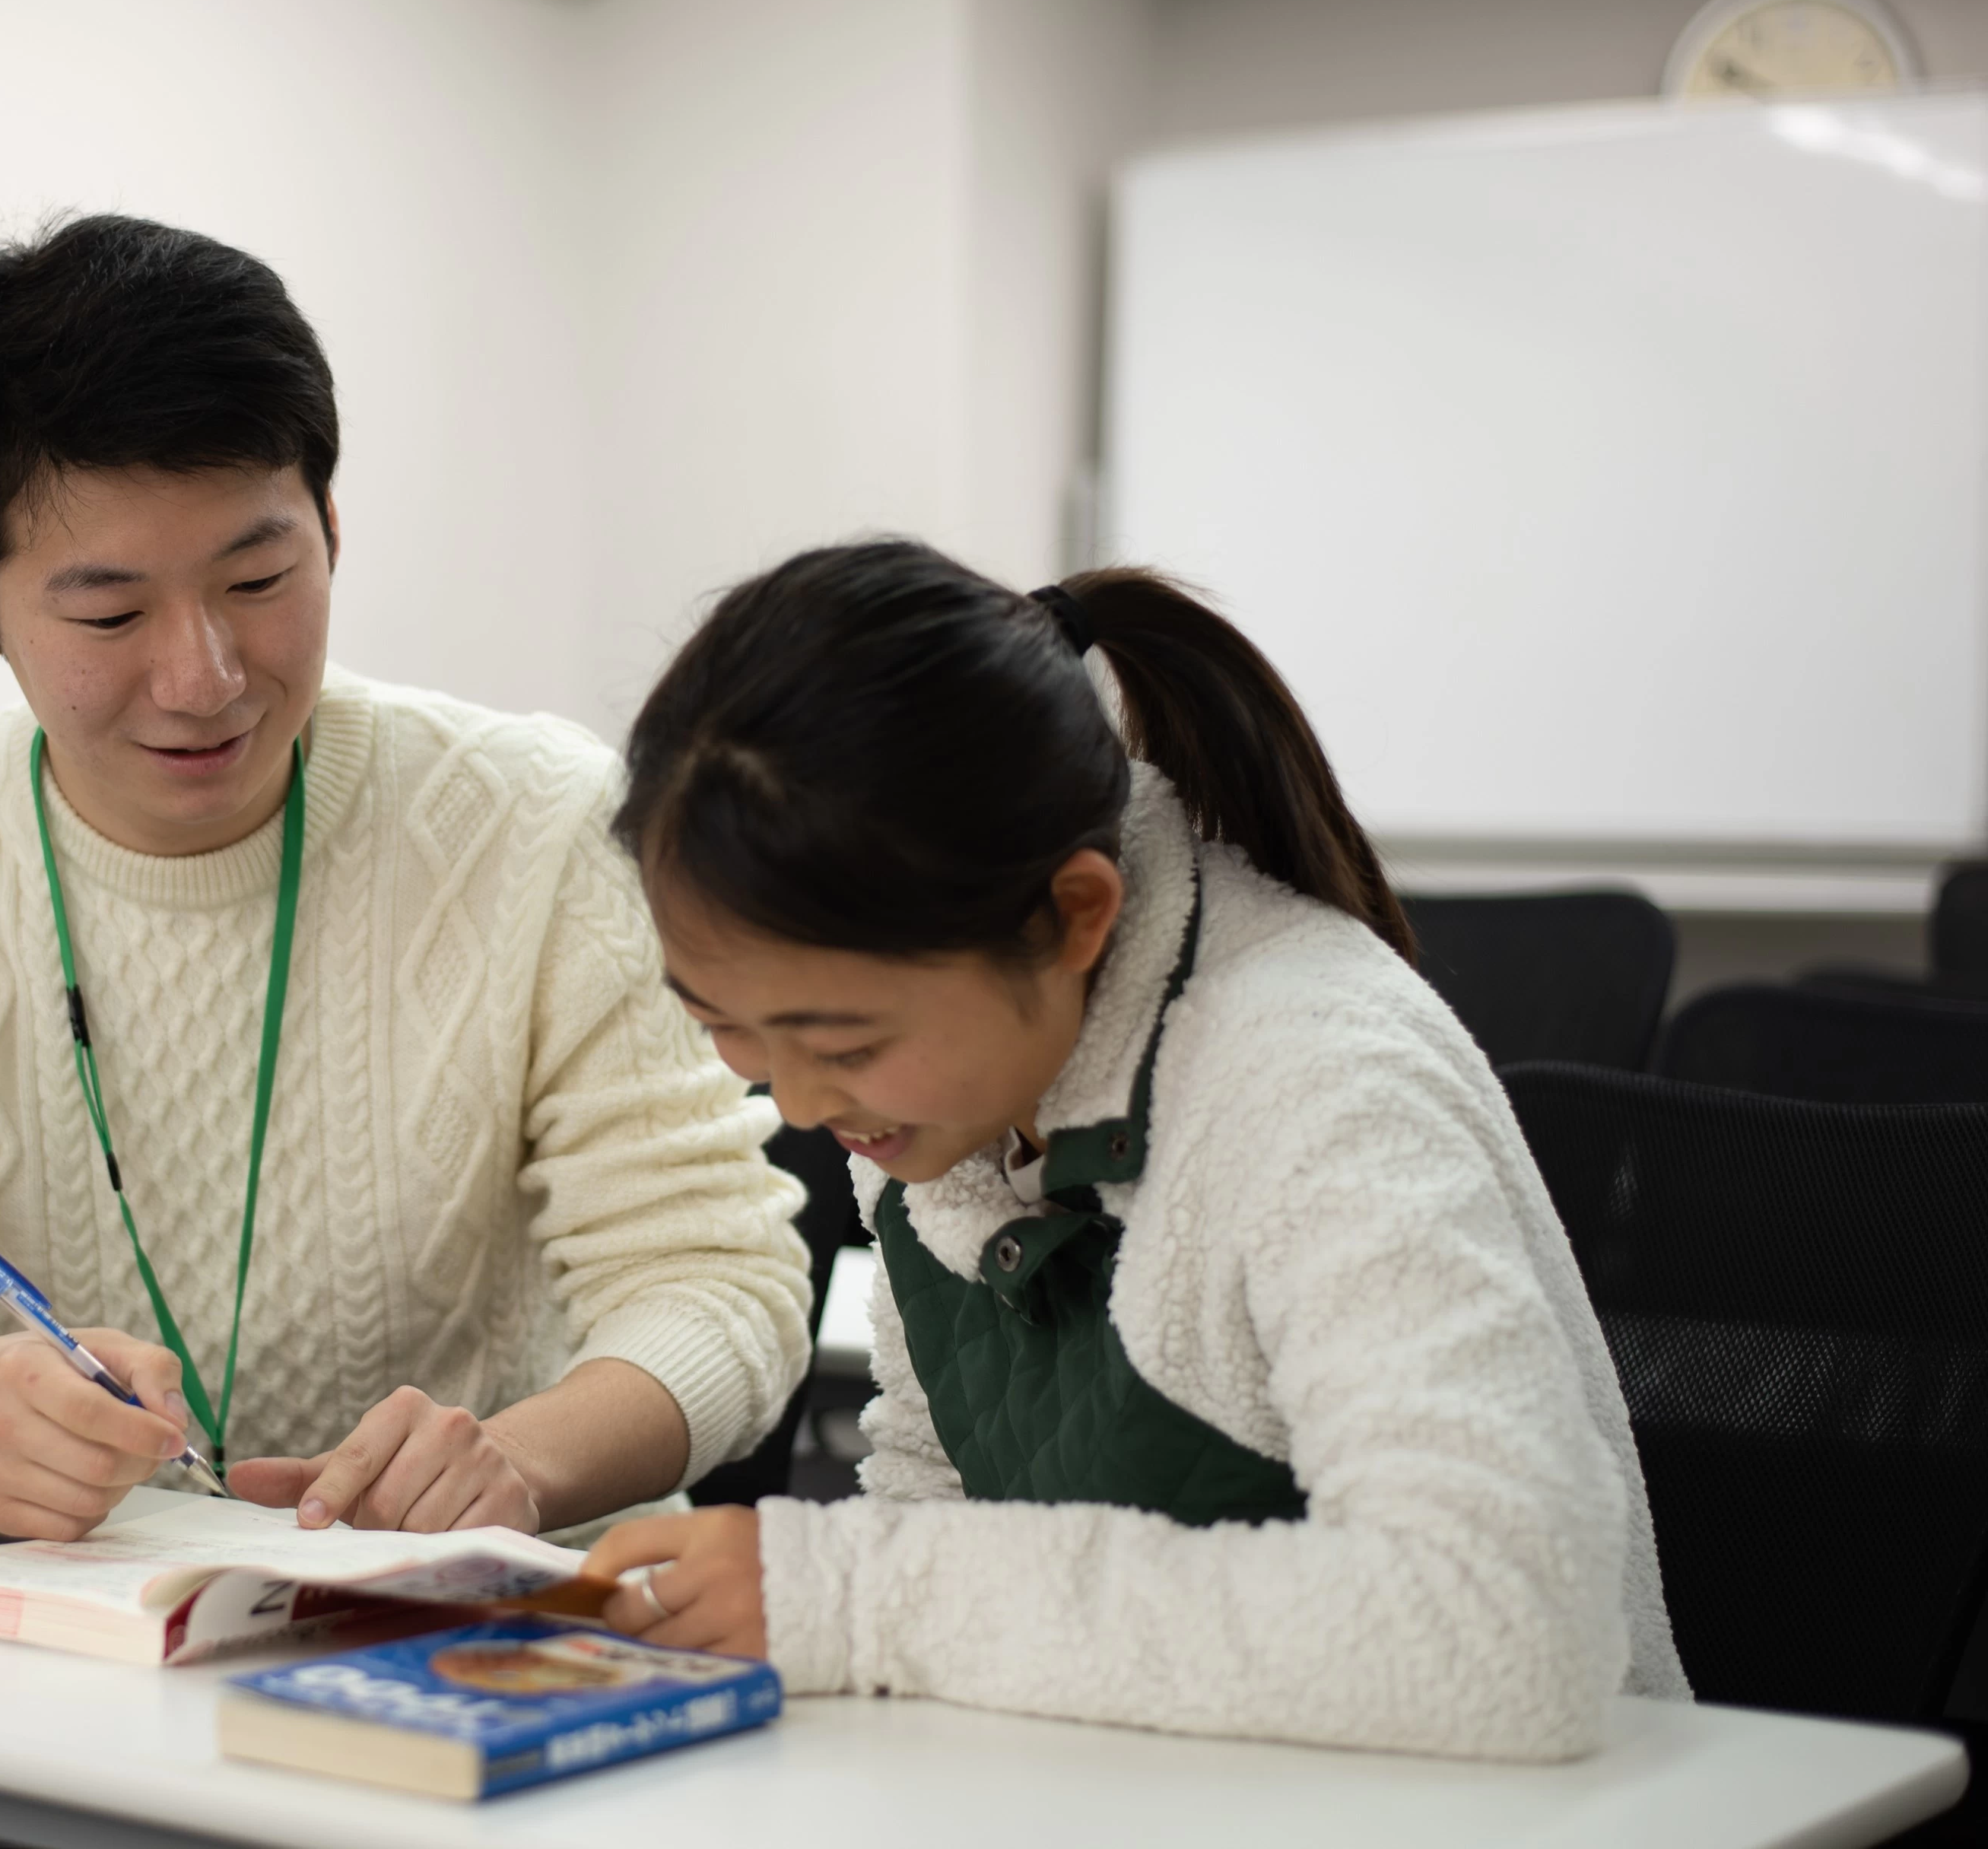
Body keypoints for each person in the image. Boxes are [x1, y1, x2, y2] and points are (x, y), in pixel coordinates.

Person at [0, 214, 809, 1543]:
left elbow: (719, 1277)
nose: (206, 675)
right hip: (69, 1621)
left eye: (259, 576)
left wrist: (518, 1462)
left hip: (475, 1617)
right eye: (111, 615)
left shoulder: (541, 823)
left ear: (331, 526)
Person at [580, 539, 1685, 1760]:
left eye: (839, 1036)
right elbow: (935, 1493)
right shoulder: (934, 1092)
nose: (791, 1093)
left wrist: (856, 1594)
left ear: (1075, 915)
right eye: (724, 1022)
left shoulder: (1314, 1080)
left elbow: (1507, 1630)